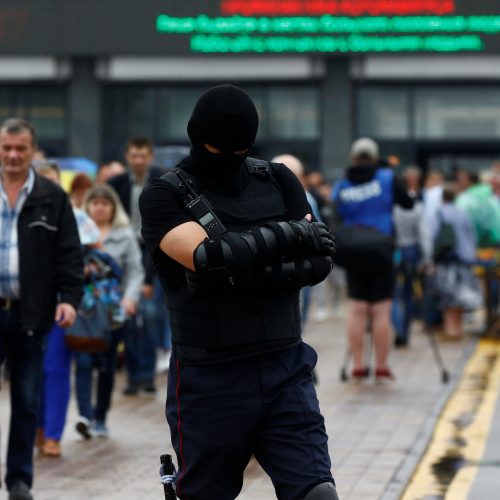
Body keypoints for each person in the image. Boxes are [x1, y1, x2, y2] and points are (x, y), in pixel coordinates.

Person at [140, 84, 338, 500]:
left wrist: (238, 265)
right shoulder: (166, 193)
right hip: (210, 377)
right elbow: (208, 258)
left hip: (284, 365)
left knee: (317, 493)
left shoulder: (279, 179)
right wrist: (290, 234)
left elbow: (320, 259)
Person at [0, 118, 83, 500]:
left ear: (33, 151)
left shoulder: (52, 196)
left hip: (32, 313)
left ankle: (19, 480)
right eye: (6, 147)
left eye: (21, 148)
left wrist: (69, 299)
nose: (13, 155)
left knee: (26, 398)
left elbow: (69, 254)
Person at [332, 138, 413, 381]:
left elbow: (335, 213)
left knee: (356, 309)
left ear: (353, 158)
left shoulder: (342, 185)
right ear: (375, 158)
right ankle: (381, 365)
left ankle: (358, 364)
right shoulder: (387, 178)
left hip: (354, 250)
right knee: (381, 310)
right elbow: (408, 203)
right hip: (381, 249)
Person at [34, 161, 100, 458]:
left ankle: (52, 433)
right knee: (29, 369)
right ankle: (36, 425)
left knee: (56, 369)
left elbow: (97, 251)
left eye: (50, 181)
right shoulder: (16, 213)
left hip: (62, 300)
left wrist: (82, 270)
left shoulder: (76, 216)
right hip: (26, 303)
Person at [75, 184, 144, 438]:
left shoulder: (124, 236)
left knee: (106, 365)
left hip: (114, 312)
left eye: (105, 203)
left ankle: (100, 416)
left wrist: (129, 299)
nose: (100, 208)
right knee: (83, 362)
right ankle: (83, 414)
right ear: (88, 206)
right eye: (95, 203)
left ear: (113, 207)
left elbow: (135, 271)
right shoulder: (78, 233)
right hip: (84, 310)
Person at [108, 138, 167, 394]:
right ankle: (134, 375)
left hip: (152, 249)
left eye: (143, 155)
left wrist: (147, 280)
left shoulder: (161, 182)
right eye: (134, 155)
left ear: (150, 156)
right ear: (127, 156)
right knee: (129, 316)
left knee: (151, 315)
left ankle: (147, 374)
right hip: (124, 249)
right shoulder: (116, 185)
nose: (139, 160)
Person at [432, 183, 481, 338]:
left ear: (442, 198)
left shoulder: (439, 213)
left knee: (447, 295)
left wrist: (429, 258)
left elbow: (433, 237)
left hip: (447, 259)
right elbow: (472, 236)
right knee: (461, 295)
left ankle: (449, 329)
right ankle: (458, 328)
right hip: (464, 258)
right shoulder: (463, 213)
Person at [392, 166, 429, 347]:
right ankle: (404, 331)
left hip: (393, 249)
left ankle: (397, 328)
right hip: (411, 249)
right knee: (408, 294)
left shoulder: (391, 204)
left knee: (391, 294)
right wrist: (426, 257)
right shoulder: (416, 205)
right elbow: (423, 234)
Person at [455, 167, 500, 248]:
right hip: (494, 240)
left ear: (469, 181)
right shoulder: (490, 194)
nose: (458, 181)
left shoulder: (465, 198)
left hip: (473, 243)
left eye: (461, 179)